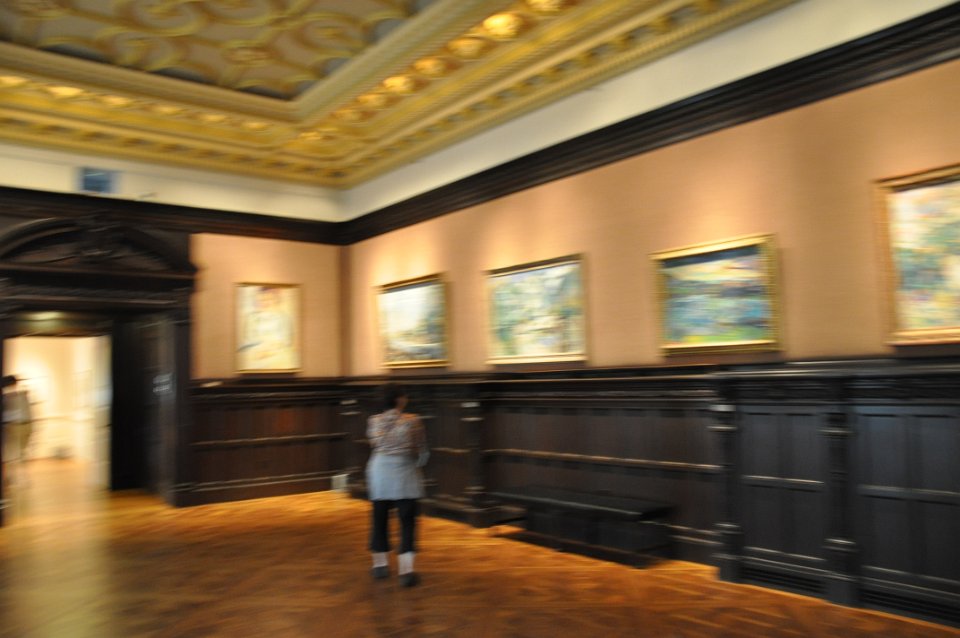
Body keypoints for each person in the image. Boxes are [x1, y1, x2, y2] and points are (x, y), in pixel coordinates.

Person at [365, 383, 429, 587]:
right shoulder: (413, 421)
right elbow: (423, 452)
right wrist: (416, 463)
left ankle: (380, 566)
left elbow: (374, 445)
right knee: (407, 521)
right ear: (400, 399)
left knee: (379, 519)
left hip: (379, 473)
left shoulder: (373, 421)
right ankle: (406, 572)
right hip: (405, 474)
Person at [2, 375, 34, 488]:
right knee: (15, 455)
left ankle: (18, 479)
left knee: (17, 454)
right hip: (17, 426)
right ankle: (15, 479)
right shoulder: (17, 395)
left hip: (18, 426)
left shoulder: (19, 395)